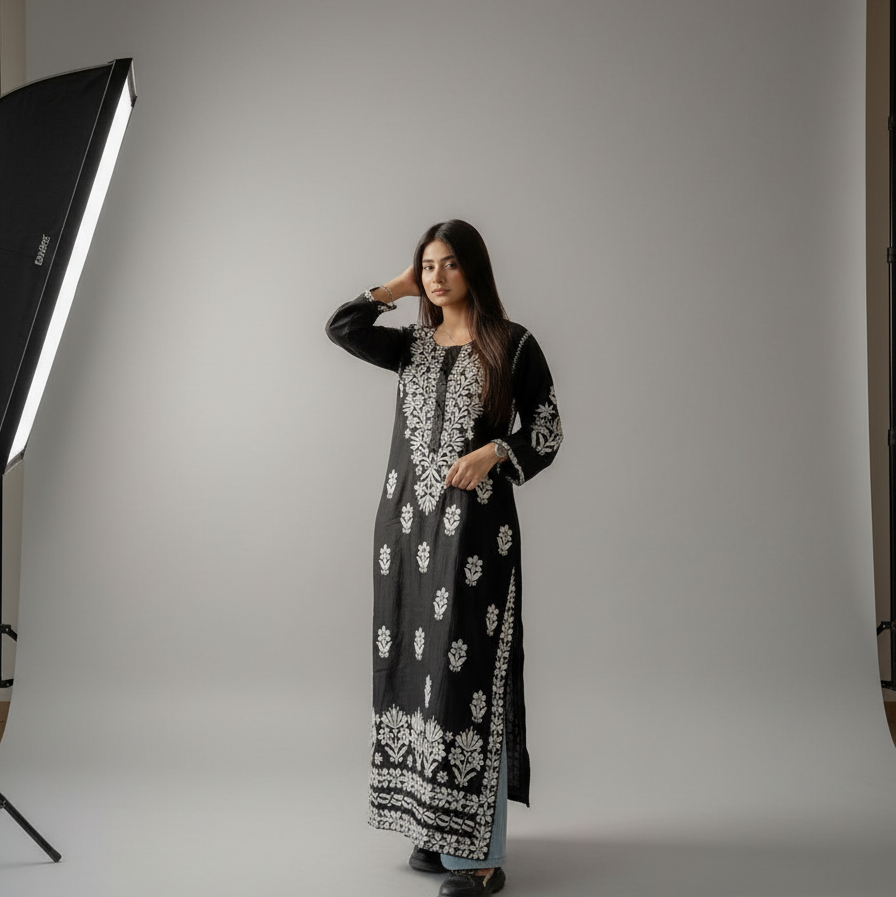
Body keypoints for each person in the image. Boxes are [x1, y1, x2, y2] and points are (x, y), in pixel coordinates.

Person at [326, 220, 562, 897]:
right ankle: (433, 827)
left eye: (450, 263)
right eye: (428, 265)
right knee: (415, 673)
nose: (436, 276)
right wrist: (395, 287)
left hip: (476, 537)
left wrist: (495, 451)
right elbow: (342, 328)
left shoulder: (513, 345)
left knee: (467, 679)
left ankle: (479, 856)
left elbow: (547, 428)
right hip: (407, 533)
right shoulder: (412, 346)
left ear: (475, 269)